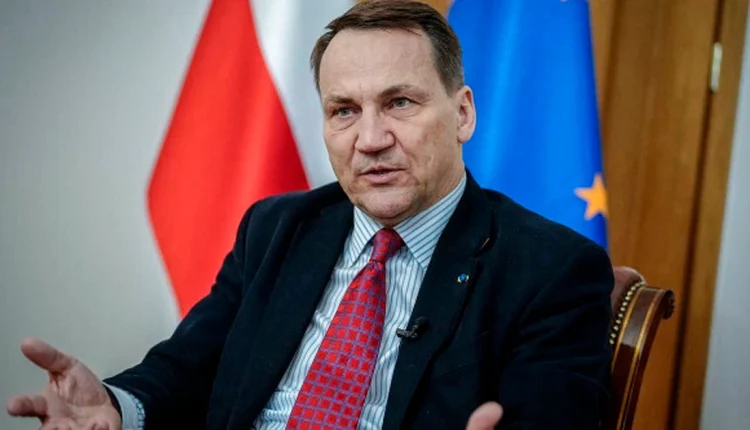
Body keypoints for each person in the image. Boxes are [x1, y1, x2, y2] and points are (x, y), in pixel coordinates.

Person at [6, 1, 614, 429]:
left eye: (400, 102)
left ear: (462, 114)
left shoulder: (551, 269)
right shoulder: (277, 228)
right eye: (343, 111)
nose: (370, 139)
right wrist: (117, 407)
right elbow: (187, 368)